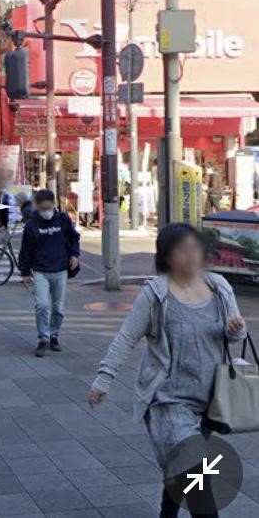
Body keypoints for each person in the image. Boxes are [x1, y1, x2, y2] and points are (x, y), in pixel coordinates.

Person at [88, 223, 247, 518]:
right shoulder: (155, 295)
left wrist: (236, 329)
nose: (190, 255)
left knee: (182, 467)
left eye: (194, 248)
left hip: (212, 398)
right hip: (169, 401)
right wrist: (104, 378)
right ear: (166, 257)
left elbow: (234, 335)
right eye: (182, 250)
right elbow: (127, 337)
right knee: (196, 476)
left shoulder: (219, 287)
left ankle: (166, 512)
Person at [18, 188, 80, 357]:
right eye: (42, 208)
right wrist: (25, 273)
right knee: (42, 305)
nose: (46, 211)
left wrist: (75, 255)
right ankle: (43, 338)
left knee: (58, 308)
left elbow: (74, 237)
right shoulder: (32, 225)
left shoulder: (63, 220)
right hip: (40, 271)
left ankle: (54, 335)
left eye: (48, 207)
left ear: (54, 204)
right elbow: (26, 250)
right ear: (37, 207)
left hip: (60, 270)